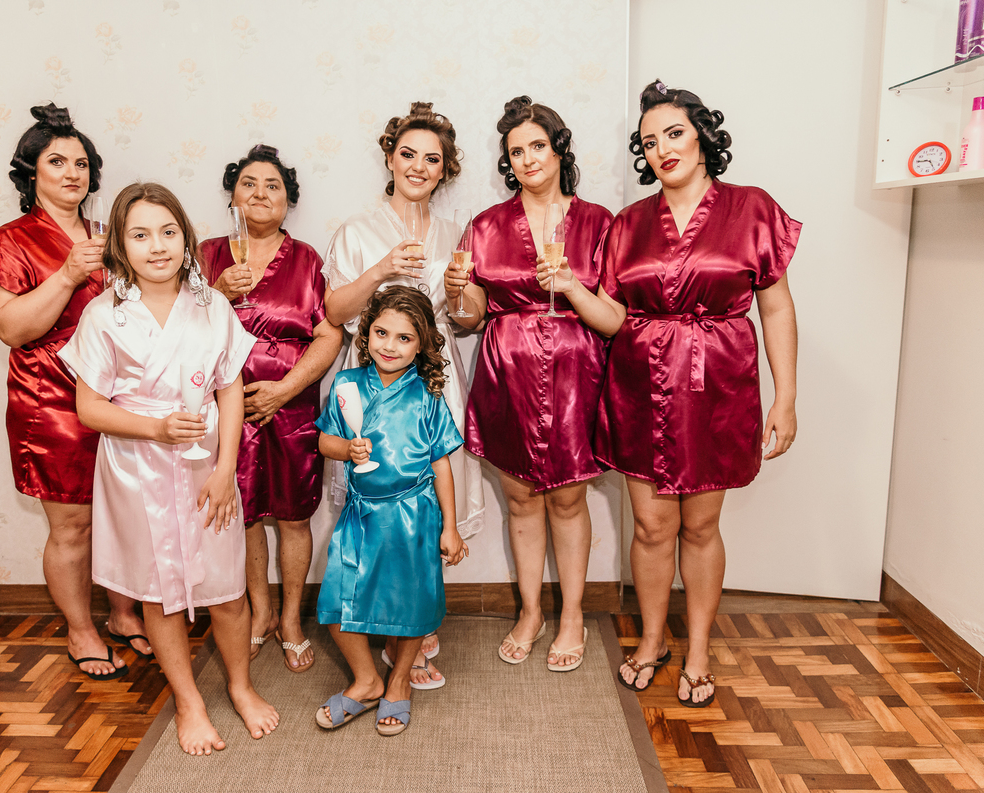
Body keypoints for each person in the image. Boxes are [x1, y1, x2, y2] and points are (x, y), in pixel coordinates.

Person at [544, 80, 800, 707]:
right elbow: (613, 319)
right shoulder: (629, 223)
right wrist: (572, 288)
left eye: (674, 133)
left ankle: (700, 648)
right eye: (649, 141)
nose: (662, 149)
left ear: (703, 137)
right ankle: (653, 638)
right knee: (653, 526)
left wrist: (786, 397)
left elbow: (776, 307)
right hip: (641, 384)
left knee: (702, 526)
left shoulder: (752, 208)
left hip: (719, 385)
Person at [59, 182, 279, 754]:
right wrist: (155, 429)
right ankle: (188, 701)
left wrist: (226, 468)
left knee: (227, 589)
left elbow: (229, 388)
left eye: (167, 232)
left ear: (186, 239)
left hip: (208, 465)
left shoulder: (212, 306)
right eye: (140, 235)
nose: (156, 246)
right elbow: (89, 408)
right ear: (120, 245)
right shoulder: (103, 316)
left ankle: (240, 685)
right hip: (137, 467)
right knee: (158, 594)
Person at [0, 103, 149, 679]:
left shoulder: (110, 234)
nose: (73, 173)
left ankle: (123, 612)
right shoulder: (7, 242)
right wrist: (69, 274)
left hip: (120, 397)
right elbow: (12, 328)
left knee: (125, 515)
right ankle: (80, 629)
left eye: (81, 163)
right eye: (57, 162)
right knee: (73, 526)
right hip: (51, 402)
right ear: (31, 172)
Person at [446, 96, 612, 671]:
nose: (527, 158)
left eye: (537, 145)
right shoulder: (485, 226)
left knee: (568, 497)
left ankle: (572, 617)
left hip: (576, 373)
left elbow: (615, 316)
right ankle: (531, 611)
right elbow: (469, 317)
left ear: (559, 149)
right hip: (508, 372)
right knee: (520, 498)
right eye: (516, 151)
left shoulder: (600, 223)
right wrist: (456, 293)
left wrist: (570, 288)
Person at [323, 101, 484, 687]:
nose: (419, 166)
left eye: (432, 159)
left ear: (445, 169)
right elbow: (335, 312)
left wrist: (458, 292)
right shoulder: (356, 231)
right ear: (390, 158)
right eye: (408, 154)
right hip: (373, 376)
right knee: (376, 492)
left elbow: (468, 318)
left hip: (433, 377)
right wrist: (380, 270)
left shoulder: (455, 233)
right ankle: (382, 617)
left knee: (430, 491)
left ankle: (415, 619)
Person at [203, 145, 342, 673]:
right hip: (226, 407)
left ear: (288, 201)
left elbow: (329, 335)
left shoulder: (308, 260)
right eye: (249, 183)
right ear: (233, 196)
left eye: (273, 186)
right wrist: (215, 293)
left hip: (292, 406)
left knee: (292, 516)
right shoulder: (206, 254)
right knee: (243, 515)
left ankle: (290, 619)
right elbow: (177, 326)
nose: (260, 194)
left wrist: (285, 389)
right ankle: (259, 610)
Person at [314, 286, 467, 736]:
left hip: (413, 515)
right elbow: (325, 440)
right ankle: (366, 681)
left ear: (421, 345)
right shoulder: (347, 385)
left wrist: (451, 527)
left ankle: (399, 681)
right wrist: (346, 448)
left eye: (404, 338)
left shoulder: (427, 394)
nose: (390, 346)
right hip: (361, 514)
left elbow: (441, 464)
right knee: (338, 604)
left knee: (412, 605)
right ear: (366, 333)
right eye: (381, 333)